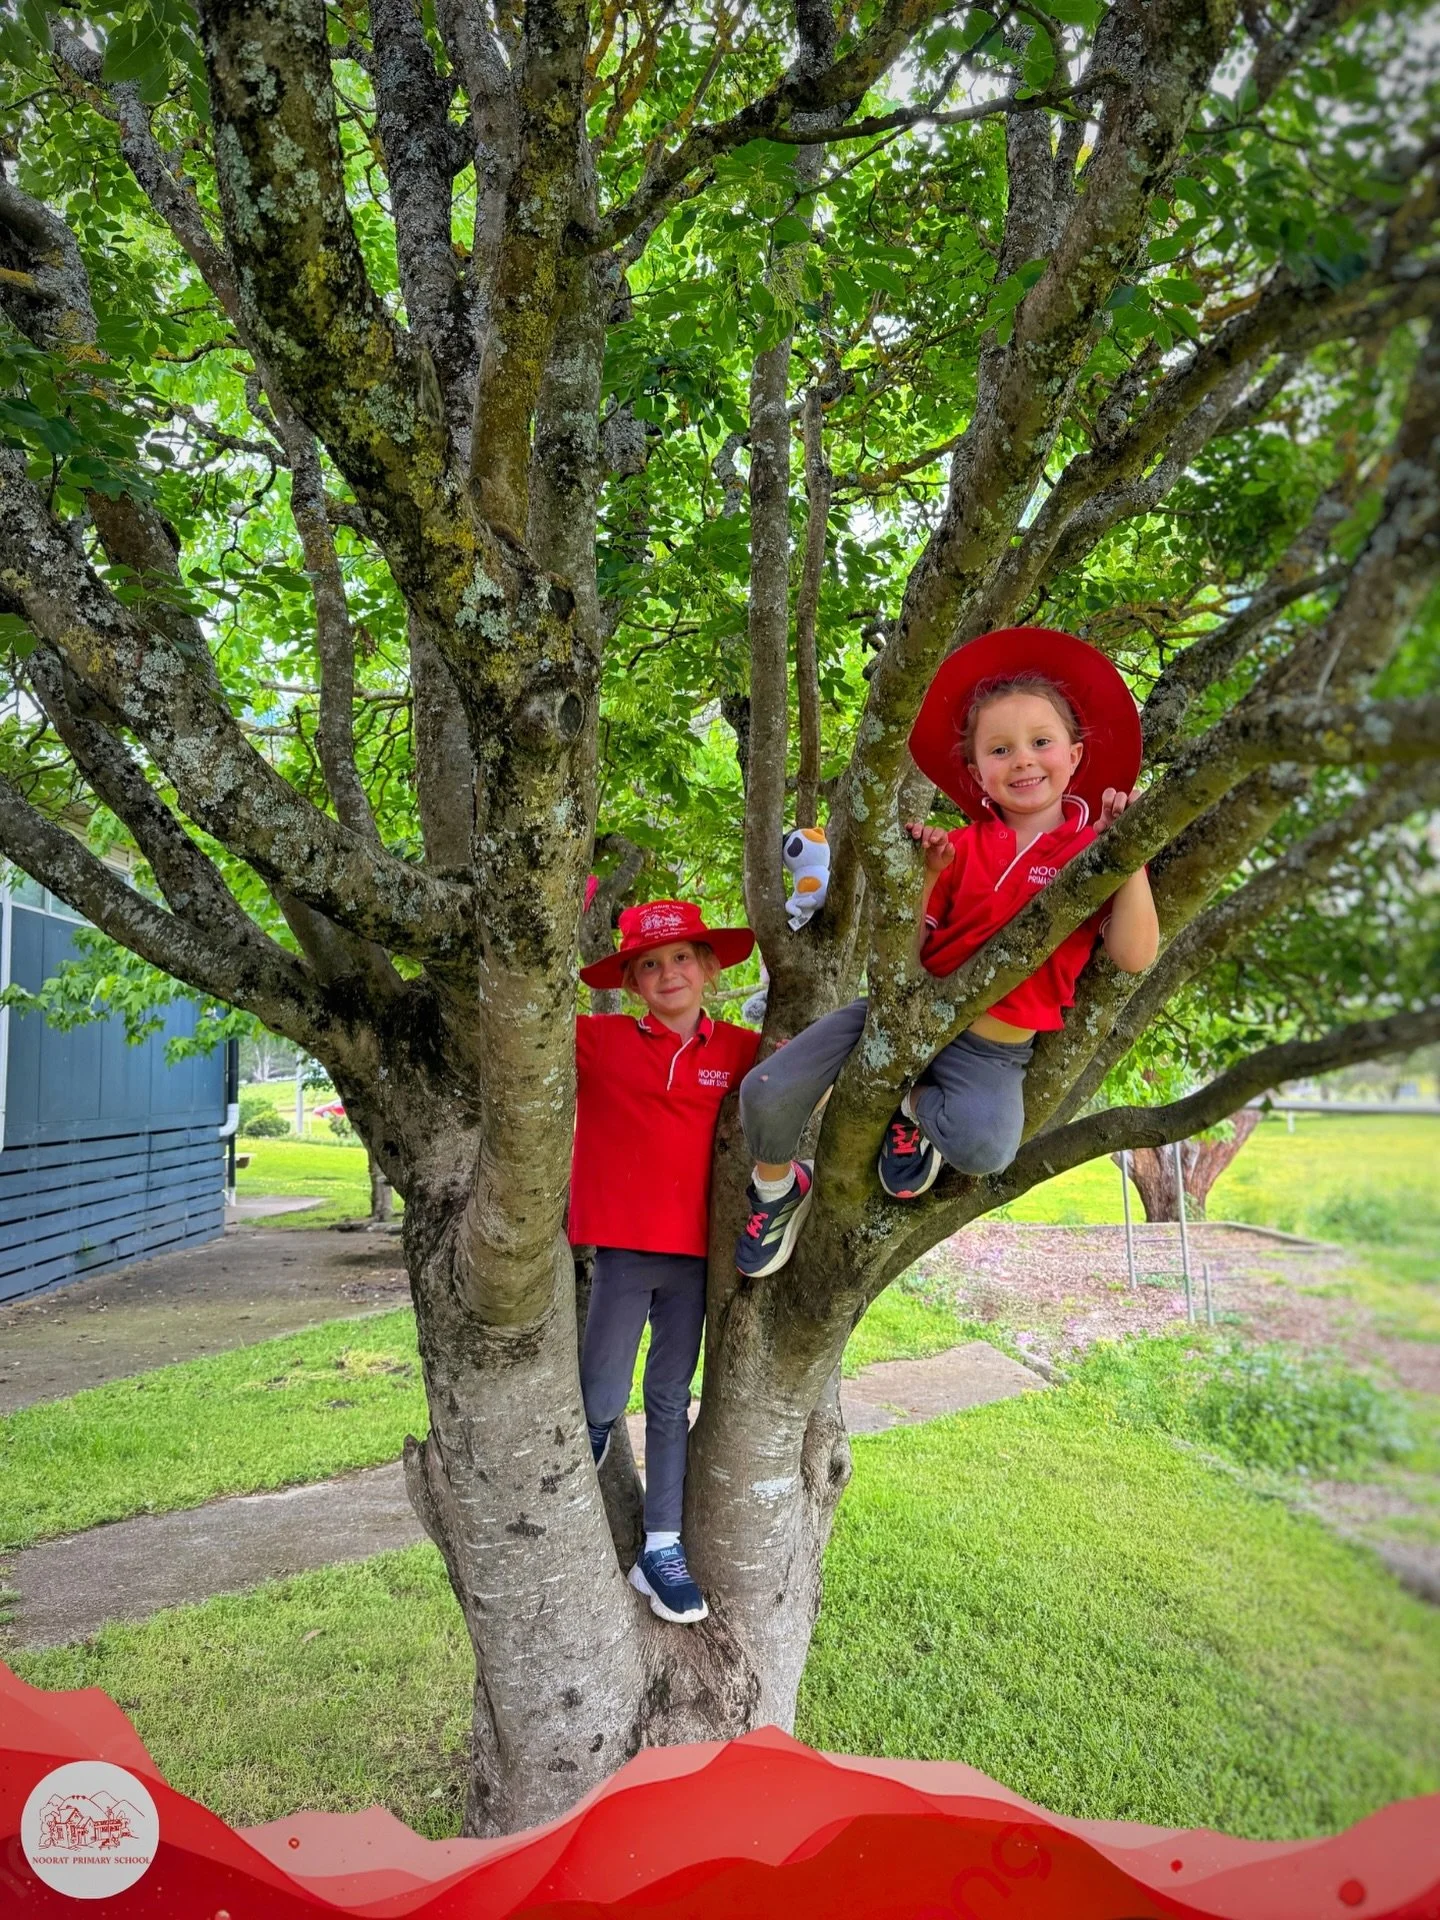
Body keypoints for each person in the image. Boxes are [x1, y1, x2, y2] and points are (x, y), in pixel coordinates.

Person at [734, 626, 1159, 1280]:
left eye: (1041, 743)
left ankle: (914, 1113)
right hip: (900, 1014)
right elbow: (912, 951)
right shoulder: (961, 846)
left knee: (986, 1145)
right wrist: (925, 876)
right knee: (765, 1090)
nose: (1022, 760)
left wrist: (1125, 856)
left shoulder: (1091, 853)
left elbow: (1134, 956)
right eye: (1000, 748)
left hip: (990, 1047)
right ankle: (776, 1188)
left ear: (1075, 756)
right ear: (976, 771)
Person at [572, 899, 761, 1623]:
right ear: (630, 983)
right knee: (601, 1391)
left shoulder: (742, 1051)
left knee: (669, 1398)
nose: (667, 972)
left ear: (710, 967)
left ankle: (661, 1546)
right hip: (623, 1246)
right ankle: (575, 1471)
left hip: (697, 1259)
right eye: (649, 964)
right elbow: (515, 1030)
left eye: (682, 956)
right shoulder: (602, 1040)